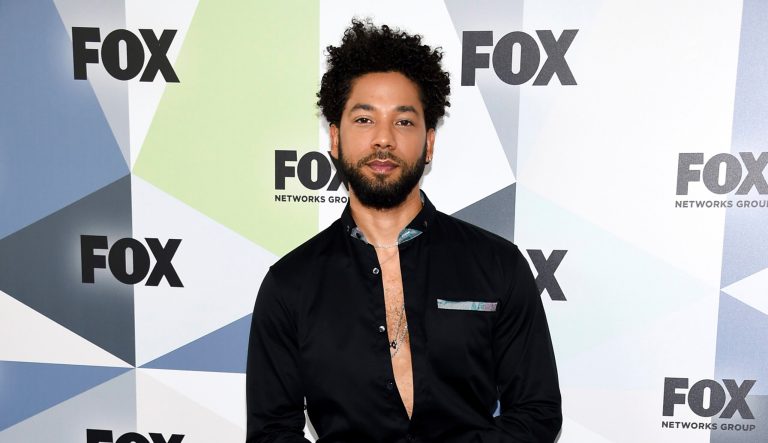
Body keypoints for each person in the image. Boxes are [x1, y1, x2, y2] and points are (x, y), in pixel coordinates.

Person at [246, 19, 561, 443]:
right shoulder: (289, 284)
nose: (383, 139)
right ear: (334, 139)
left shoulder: (499, 265)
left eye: (404, 122)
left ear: (429, 142)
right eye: (363, 119)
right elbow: (271, 431)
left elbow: (537, 414)